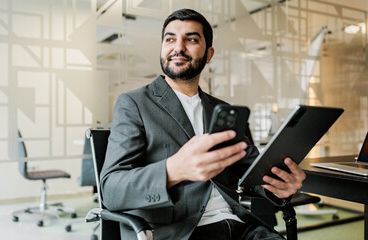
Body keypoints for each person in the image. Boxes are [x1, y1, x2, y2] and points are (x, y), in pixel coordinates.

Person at [100, 8, 306, 240]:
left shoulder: (222, 111)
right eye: (170, 39)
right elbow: (111, 190)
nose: (178, 47)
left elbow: (250, 173)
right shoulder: (134, 104)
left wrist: (279, 185)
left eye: (191, 39)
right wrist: (172, 170)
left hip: (239, 226)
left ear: (209, 54)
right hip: (181, 231)